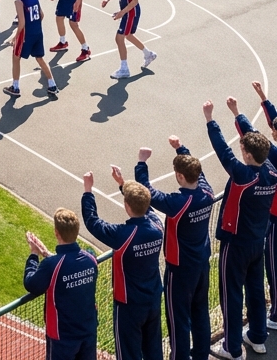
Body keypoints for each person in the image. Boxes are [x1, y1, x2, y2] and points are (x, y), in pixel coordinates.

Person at [203, 98, 277, 360]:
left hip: (236, 245)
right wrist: (237, 114)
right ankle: (258, 336)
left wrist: (210, 120)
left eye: (242, 148)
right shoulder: (271, 172)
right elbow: (255, 142)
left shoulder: (243, 175)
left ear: (246, 155)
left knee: (231, 294)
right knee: (255, 290)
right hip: (258, 240)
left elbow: (222, 150)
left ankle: (231, 347)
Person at [133, 138, 214, 360]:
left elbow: (146, 191)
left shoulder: (178, 203)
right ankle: (200, 355)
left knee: (178, 319)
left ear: (179, 176)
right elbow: (200, 173)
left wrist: (142, 162)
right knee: (200, 312)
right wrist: (181, 149)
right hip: (202, 264)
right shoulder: (207, 192)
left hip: (179, 270)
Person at [81, 171, 164, 360]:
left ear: (126, 206)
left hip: (129, 305)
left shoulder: (123, 235)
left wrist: (88, 191)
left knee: (128, 353)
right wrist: (123, 185)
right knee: (153, 349)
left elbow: (92, 222)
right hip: (152, 299)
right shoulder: (157, 225)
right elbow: (144, 207)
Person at [23, 209, 99, 360]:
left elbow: (31, 284)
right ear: (77, 231)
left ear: (56, 232)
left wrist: (34, 254)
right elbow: (69, 264)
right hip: (88, 331)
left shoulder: (51, 266)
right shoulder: (91, 259)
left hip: (62, 336)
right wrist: (47, 254)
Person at [236, 83, 277, 342]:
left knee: (273, 265)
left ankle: (276, 314)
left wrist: (237, 113)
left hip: (274, 219)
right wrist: (264, 100)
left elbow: (252, 135)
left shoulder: (273, 153)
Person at [101, 0, 156, 79]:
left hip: (131, 12)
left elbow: (135, 1)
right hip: (127, 11)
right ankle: (149, 54)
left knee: (119, 38)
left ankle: (124, 69)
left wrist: (121, 13)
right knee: (128, 36)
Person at [3, 0, 58, 99]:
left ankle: (15, 87)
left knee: (16, 58)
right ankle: (52, 84)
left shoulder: (19, 2)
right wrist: (35, 26)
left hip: (26, 35)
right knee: (40, 58)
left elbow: (21, 23)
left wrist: (15, 37)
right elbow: (41, 15)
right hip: (38, 32)